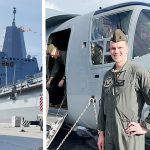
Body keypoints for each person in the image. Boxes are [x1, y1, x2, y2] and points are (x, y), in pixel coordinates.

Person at [97, 29, 150, 150]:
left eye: (120, 48)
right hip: (109, 138)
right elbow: (103, 105)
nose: (116, 51)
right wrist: (101, 134)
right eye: (113, 48)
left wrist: (144, 127)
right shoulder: (108, 76)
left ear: (127, 49)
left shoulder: (138, 72)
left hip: (129, 138)